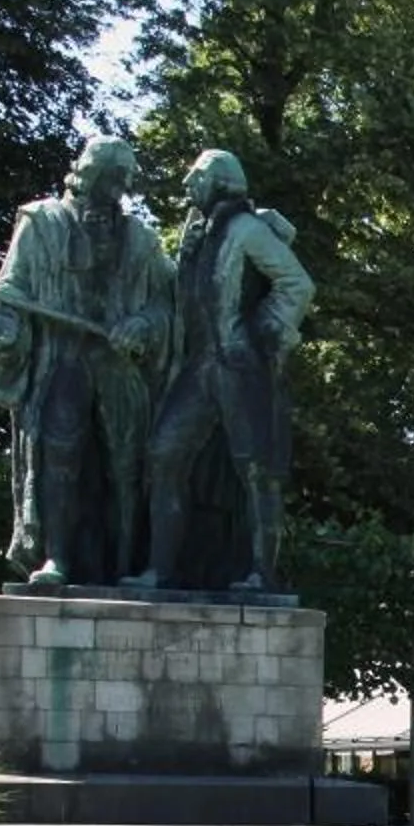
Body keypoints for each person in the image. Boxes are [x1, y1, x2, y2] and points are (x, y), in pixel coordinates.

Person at [0, 137, 171, 586]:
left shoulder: (141, 240)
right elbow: (10, 289)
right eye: (114, 177)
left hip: (117, 368)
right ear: (90, 174)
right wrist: (0, 329)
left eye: (124, 180)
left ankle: (126, 564)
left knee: (127, 465)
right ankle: (56, 559)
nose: (121, 188)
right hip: (61, 361)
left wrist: (141, 324)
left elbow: (166, 305)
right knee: (59, 455)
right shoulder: (41, 222)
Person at [135, 149, 313, 592]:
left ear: (218, 181)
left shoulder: (248, 229)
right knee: (163, 454)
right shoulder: (195, 236)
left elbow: (298, 284)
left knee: (257, 471)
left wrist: (266, 331)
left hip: (240, 363)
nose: (187, 186)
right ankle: (160, 569)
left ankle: (260, 572)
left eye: (194, 177)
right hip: (200, 366)